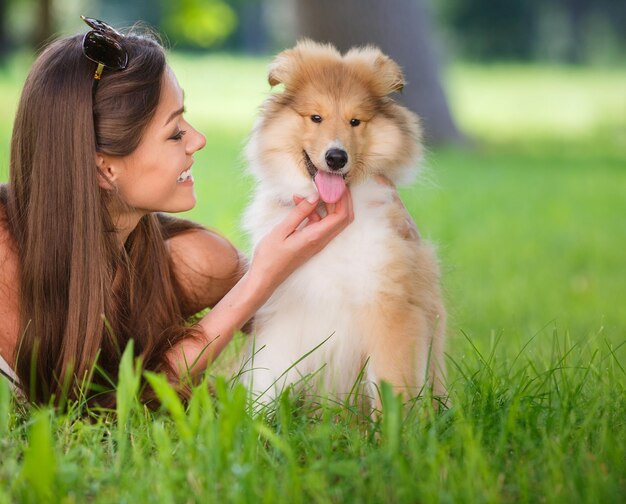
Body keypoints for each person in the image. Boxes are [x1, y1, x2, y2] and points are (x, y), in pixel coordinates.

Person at [0, 18, 417, 408]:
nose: (198, 140)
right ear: (105, 168)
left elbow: (139, 396)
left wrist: (394, 243)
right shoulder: (6, 256)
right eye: (175, 131)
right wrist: (261, 278)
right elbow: (74, 408)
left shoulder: (193, 261)